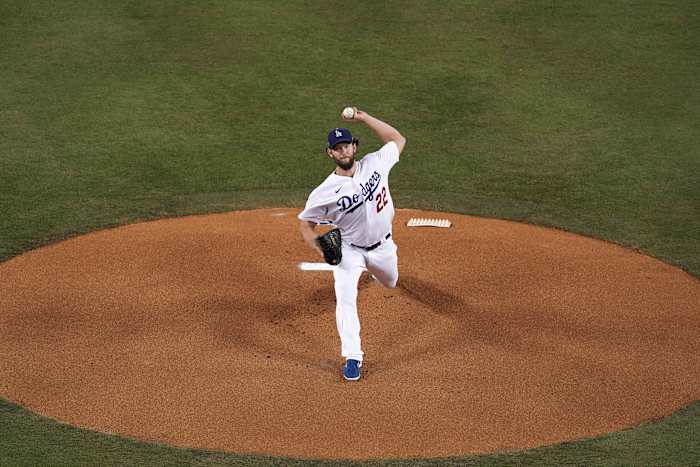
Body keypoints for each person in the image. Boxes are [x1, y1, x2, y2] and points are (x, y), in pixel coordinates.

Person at [298, 108, 406, 381]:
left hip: (383, 247)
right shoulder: (323, 192)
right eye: (337, 148)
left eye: (346, 145)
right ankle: (352, 356)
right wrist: (322, 248)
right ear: (330, 154)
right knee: (345, 297)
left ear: (354, 147)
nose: (343, 151)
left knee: (391, 282)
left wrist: (364, 117)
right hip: (349, 249)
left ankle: (375, 273)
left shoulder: (375, 163)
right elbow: (305, 224)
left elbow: (397, 139)